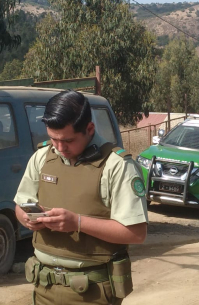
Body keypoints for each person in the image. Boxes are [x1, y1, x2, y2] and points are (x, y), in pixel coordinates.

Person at [14, 90, 148, 305]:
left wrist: (77, 223)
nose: (60, 147)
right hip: (43, 286)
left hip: (92, 291)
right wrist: (28, 218)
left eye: (68, 140)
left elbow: (136, 233)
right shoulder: (42, 157)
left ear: (89, 129)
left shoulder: (117, 166)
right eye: (53, 139)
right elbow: (20, 205)